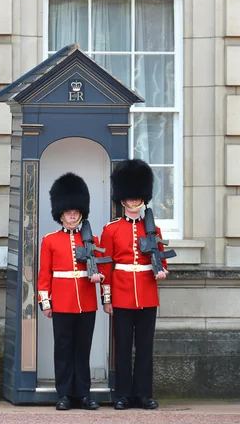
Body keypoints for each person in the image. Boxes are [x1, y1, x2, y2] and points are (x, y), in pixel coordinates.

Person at [99, 159, 168, 411]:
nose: (132, 202)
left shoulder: (153, 228)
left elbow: (160, 257)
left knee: (145, 348)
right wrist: (107, 299)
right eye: (129, 198)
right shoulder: (111, 230)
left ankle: (142, 394)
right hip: (122, 294)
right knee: (123, 348)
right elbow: (105, 266)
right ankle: (122, 395)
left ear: (142, 199)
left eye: (137, 198)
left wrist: (162, 270)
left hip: (147, 294)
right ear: (122, 200)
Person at [37, 172, 103, 411]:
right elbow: (45, 274)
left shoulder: (92, 239)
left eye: (76, 211)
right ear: (61, 214)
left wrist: (100, 278)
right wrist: (45, 302)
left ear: (81, 212)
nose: (72, 215)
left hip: (86, 301)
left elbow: (103, 268)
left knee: (82, 349)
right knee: (63, 349)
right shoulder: (50, 240)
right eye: (68, 212)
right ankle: (64, 394)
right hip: (62, 302)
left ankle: (83, 394)